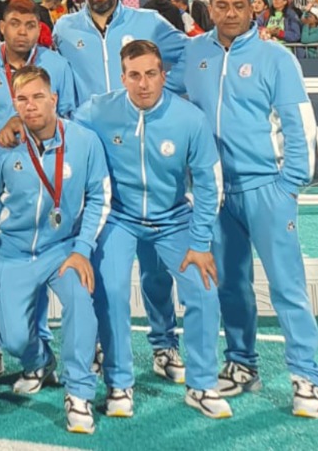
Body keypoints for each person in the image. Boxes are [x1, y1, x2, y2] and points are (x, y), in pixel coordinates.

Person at [184, 0, 318, 418]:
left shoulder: (275, 58)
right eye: (221, 5)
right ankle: (242, 364)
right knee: (230, 284)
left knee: (287, 286)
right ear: (209, 8)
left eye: (238, 6)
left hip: (267, 189)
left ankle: (307, 377)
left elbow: (301, 125)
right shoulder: (193, 52)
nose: (230, 13)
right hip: (216, 193)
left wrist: (289, 184)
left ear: (252, 8)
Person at [76, 40, 231, 419]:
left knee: (204, 289)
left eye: (150, 74)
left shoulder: (189, 119)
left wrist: (200, 242)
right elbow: (63, 133)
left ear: (164, 75)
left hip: (174, 218)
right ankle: (119, 383)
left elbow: (210, 183)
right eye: (134, 75)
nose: (142, 84)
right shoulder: (98, 110)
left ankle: (202, 384)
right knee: (111, 291)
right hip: (120, 217)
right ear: (122, 78)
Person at [51, 0, 189, 370]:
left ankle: (164, 343)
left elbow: (187, 55)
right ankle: (98, 343)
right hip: (92, 155)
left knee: (154, 263)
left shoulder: (149, 22)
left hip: (145, 154)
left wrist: (163, 99)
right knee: (94, 257)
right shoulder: (64, 28)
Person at [0, 65, 108, 435]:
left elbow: (99, 196)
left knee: (80, 299)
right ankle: (40, 361)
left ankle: (78, 392)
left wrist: (82, 249)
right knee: (14, 338)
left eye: (38, 97)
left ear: (54, 99)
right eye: (22, 99)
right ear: (14, 104)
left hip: (63, 248)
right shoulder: (6, 149)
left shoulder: (84, 141)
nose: (31, 106)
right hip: (14, 253)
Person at [0, 0, 76, 381]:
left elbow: (68, 118)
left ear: (40, 28)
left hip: (36, 189)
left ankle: (36, 348)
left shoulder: (56, 66)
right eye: (14, 24)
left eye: (30, 25)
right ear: (1, 26)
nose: (22, 32)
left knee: (31, 269)